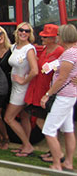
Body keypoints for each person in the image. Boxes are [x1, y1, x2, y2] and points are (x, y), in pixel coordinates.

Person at [25, 24, 64, 162]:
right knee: (44, 122)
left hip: (49, 91)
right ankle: (53, 150)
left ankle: (57, 153)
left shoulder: (60, 51)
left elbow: (63, 72)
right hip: (39, 89)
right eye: (43, 36)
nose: (43, 39)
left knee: (46, 123)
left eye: (46, 37)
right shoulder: (47, 49)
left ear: (54, 38)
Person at [41, 24, 77, 171]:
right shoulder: (73, 51)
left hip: (64, 95)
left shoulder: (69, 54)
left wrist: (48, 94)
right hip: (70, 95)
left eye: (59, 35)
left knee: (49, 130)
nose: (57, 38)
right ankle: (68, 162)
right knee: (68, 129)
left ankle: (57, 163)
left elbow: (62, 78)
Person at [4, 22, 38, 157]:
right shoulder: (15, 47)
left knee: (9, 117)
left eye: (27, 31)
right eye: (21, 30)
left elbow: (34, 70)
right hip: (15, 86)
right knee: (24, 117)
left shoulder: (29, 49)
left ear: (30, 34)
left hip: (22, 89)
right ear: (17, 32)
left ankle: (28, 145)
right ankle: (25, 145)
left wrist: (23, 80)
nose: (24, 33)